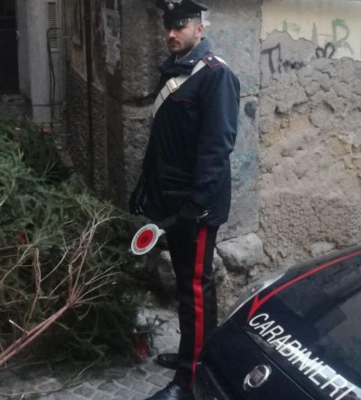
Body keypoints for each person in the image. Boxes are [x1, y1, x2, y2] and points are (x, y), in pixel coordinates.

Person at [128, 1, 239, 399]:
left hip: (196, 206)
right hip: (172, 201)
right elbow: (166, 140)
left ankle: (188, 383)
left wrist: (196, 206)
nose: (171, 35)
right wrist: (147, 188)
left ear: (199, 28)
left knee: (195, 289)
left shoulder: (214, 76)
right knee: (185, 287)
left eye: (180, 27)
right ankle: (191, 354)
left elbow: (217, 146)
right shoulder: (173, 69)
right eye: (167, 29)